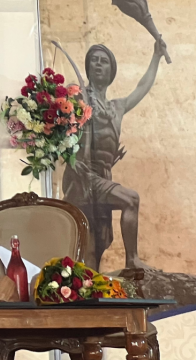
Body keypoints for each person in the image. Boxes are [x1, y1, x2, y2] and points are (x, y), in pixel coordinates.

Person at [60, 39, 166, 270]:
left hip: (103, 176)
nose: (98, 64)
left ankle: (93, 284)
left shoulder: (117, 107)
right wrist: (70, 157)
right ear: (88, 67)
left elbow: (142, 87)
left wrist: (156, 57)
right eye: (94, 60)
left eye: (104, 61)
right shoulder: (79, 98)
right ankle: (132, 259)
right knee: (131, 199)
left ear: (111, 71)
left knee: (97, 244)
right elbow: (59, 127)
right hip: (84, 178)